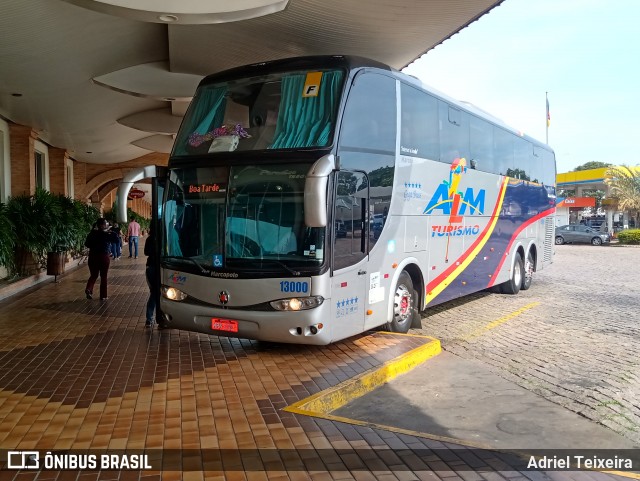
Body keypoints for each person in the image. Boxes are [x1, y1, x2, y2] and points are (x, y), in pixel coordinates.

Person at [84, 218, 119, 301]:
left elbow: (87, 244)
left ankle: (89, 289)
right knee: (104, 276)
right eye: (106, 224)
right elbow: (117, 240)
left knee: (93, 275)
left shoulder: (92, 233)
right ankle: (103, 296)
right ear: (103, 225)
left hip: (93, 256)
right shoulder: (106, 234)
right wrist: (112, 231)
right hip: (103, 257)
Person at [144, 228, 159, 327]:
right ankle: (157, 318)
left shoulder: (149, 239)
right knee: (157, 293)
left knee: (154, 292)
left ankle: (150, 318)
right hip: (159, 267)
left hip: (151, 267)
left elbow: (146, 252)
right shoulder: (163, 238)